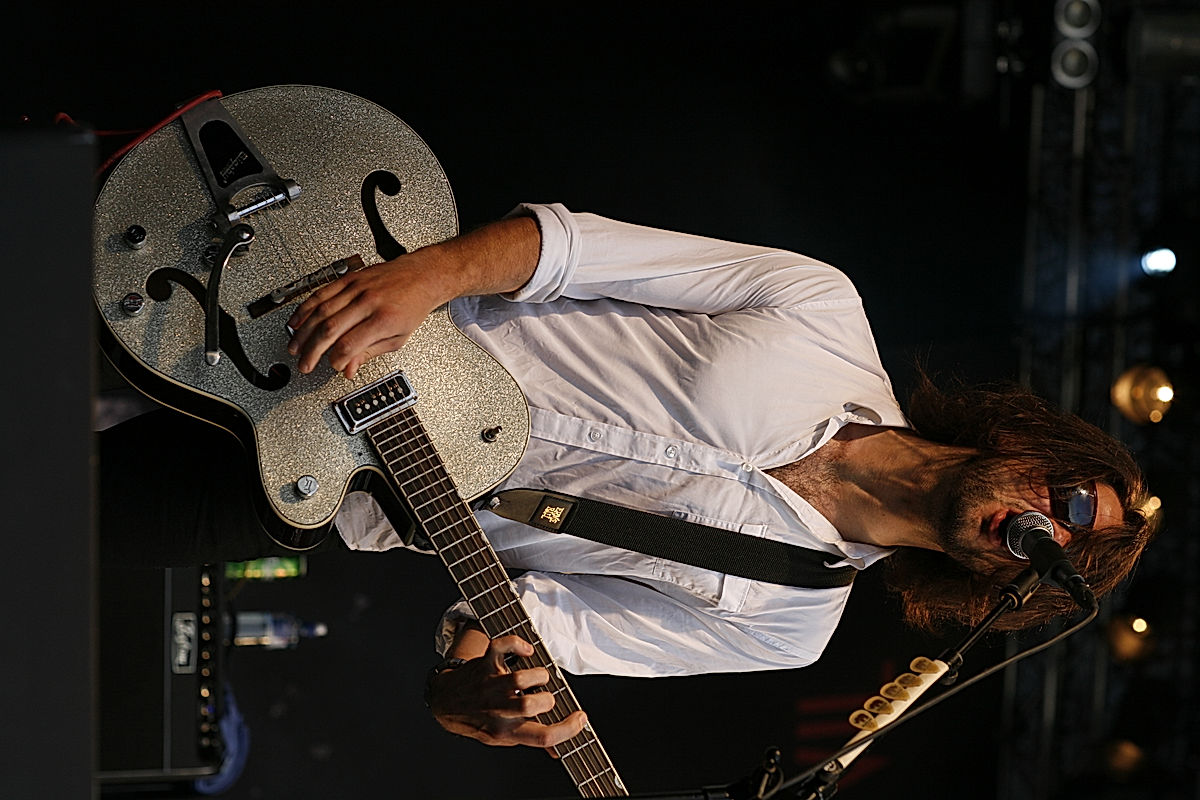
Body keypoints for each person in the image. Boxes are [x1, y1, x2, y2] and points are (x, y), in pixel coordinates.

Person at [98, 203, 1154, 751]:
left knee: (45, 512)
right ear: (1036, 446)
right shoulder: (824, 311)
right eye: (1065, 499)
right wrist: (424, 275)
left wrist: (477, 686)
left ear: (1006, 588)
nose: (1043, 527)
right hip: (341, 323)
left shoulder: (792, 620)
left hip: (332, 493)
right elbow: (571, 250)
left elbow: (536, 626)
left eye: (1059, 550)